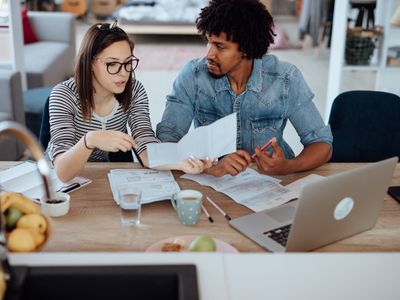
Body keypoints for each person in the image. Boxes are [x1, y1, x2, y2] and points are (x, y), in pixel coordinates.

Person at [157, 0, 332, 177]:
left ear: (246, 49)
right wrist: (208, 166)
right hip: (211, 184)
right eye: (208, 42)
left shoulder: (285, 78)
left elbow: (321, 144)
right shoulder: (193, 75)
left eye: (219, 46)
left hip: (272, 184)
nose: (209, 54)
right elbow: (167, 139)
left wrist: (288, 166)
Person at [46, 21, 211, 182]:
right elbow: (62, 173)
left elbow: (145, 142)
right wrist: (90, 140)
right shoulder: (64, 95)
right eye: (112, 64)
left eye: (127, 63)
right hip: (58, 178)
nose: (124, 73)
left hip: (98, 173)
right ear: (90, 63)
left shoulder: (135, 90)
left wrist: (179, 162)